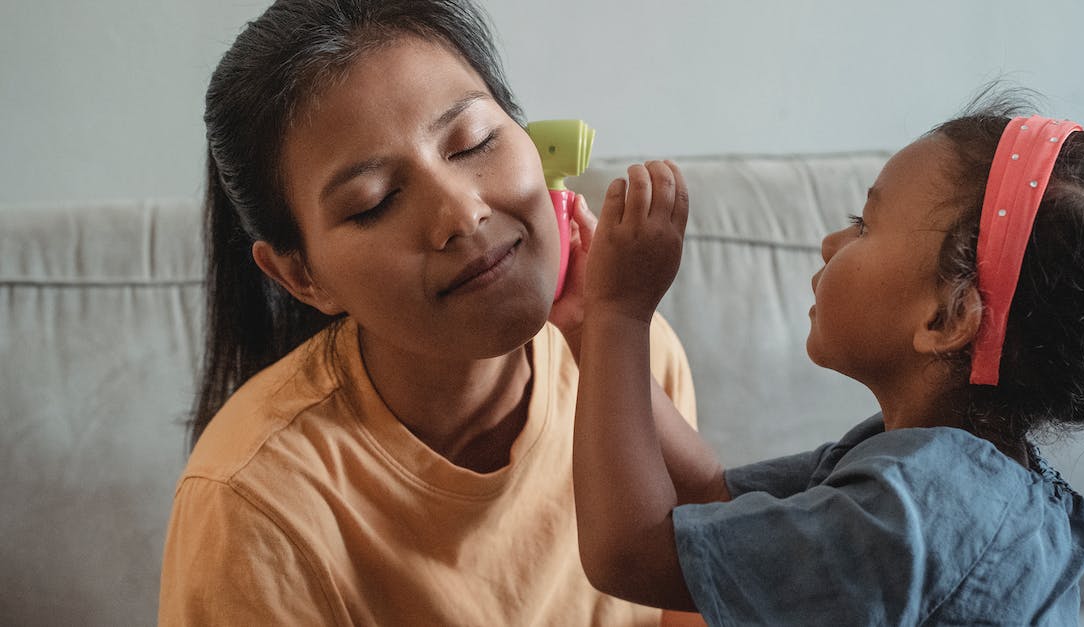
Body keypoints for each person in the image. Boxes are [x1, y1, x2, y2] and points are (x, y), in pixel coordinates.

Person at [157, 1, 707, 625]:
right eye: (374, 202)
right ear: (301, 276)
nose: (462, 213)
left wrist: (607, 337)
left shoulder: (628, 345)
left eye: (473, 142)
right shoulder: (251, 504)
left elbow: (698, 588)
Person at [572, 99, 1084, 625]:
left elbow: (628, 554)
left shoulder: (917, 510)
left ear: (947, 320)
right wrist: (586, 329)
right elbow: (710, 493)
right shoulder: (943, 468)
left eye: (864, 226)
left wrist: (620, 316)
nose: (830, 242)